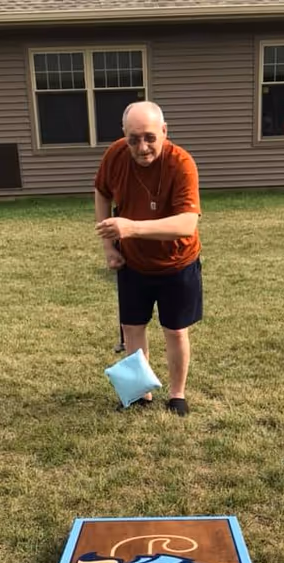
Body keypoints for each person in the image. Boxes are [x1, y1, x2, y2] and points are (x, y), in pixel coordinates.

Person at [94, 101, 202, 416]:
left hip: (176, 263)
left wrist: (131, 228)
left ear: (164, 132)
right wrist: (109, 246)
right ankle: (140, 392)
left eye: (150, 138)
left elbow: (186, 223)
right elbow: (101, 191)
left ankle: (177, 395)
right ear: (123, 135)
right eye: (133, 139)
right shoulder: (114, 155)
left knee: (175, 330)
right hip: (133, 263)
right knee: (132, 328)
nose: (142, 147)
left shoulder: (181, 164)